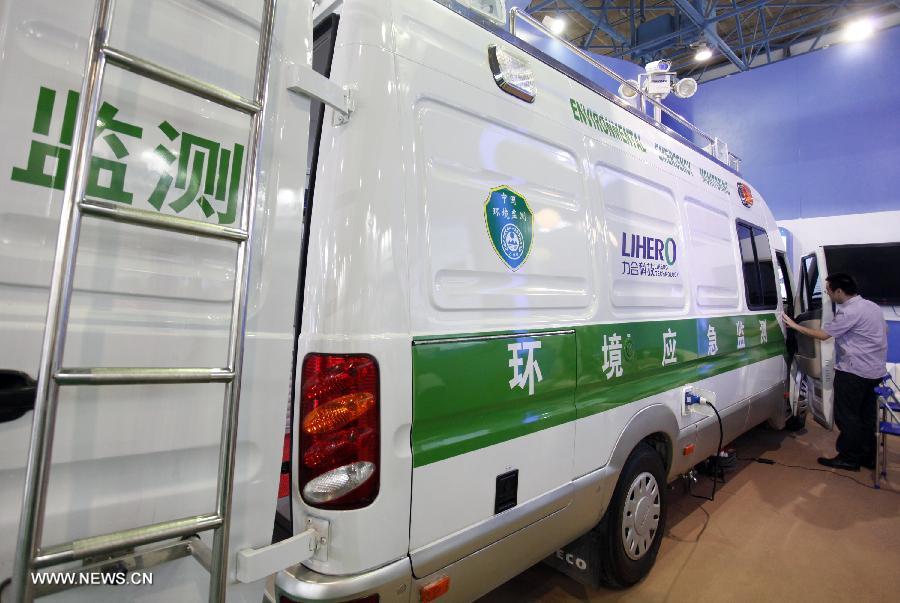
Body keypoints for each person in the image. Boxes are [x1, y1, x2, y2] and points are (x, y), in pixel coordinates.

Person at [782, 272, 888, 471]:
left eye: (828, 290)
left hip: (854, 371)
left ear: (839, 291)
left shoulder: (849, 312)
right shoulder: (871, 306)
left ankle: (849, 457)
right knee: (866, 416)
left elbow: (823, 335)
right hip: (875, 371)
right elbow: (885, 332)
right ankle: (868, 456)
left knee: (846, 415)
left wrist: (795, 326)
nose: (828, 294)